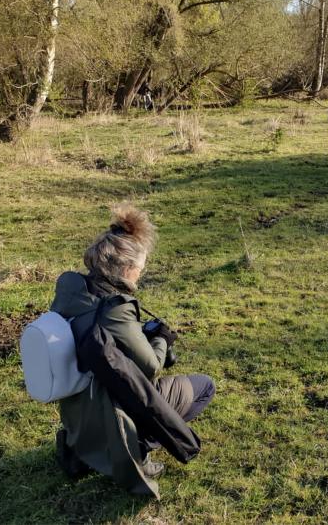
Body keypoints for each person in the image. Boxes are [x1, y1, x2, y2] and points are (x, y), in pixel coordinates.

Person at [49, 204, 215, 497]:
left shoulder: (73, 294)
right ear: (126, 269)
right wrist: (162, 339)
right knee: (205, 387)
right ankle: (139, 444)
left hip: (79, 408)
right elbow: (150, 366)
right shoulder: (114, 309)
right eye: (139, 269)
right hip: (111, 408)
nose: (139, 275)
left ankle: (94, 448)